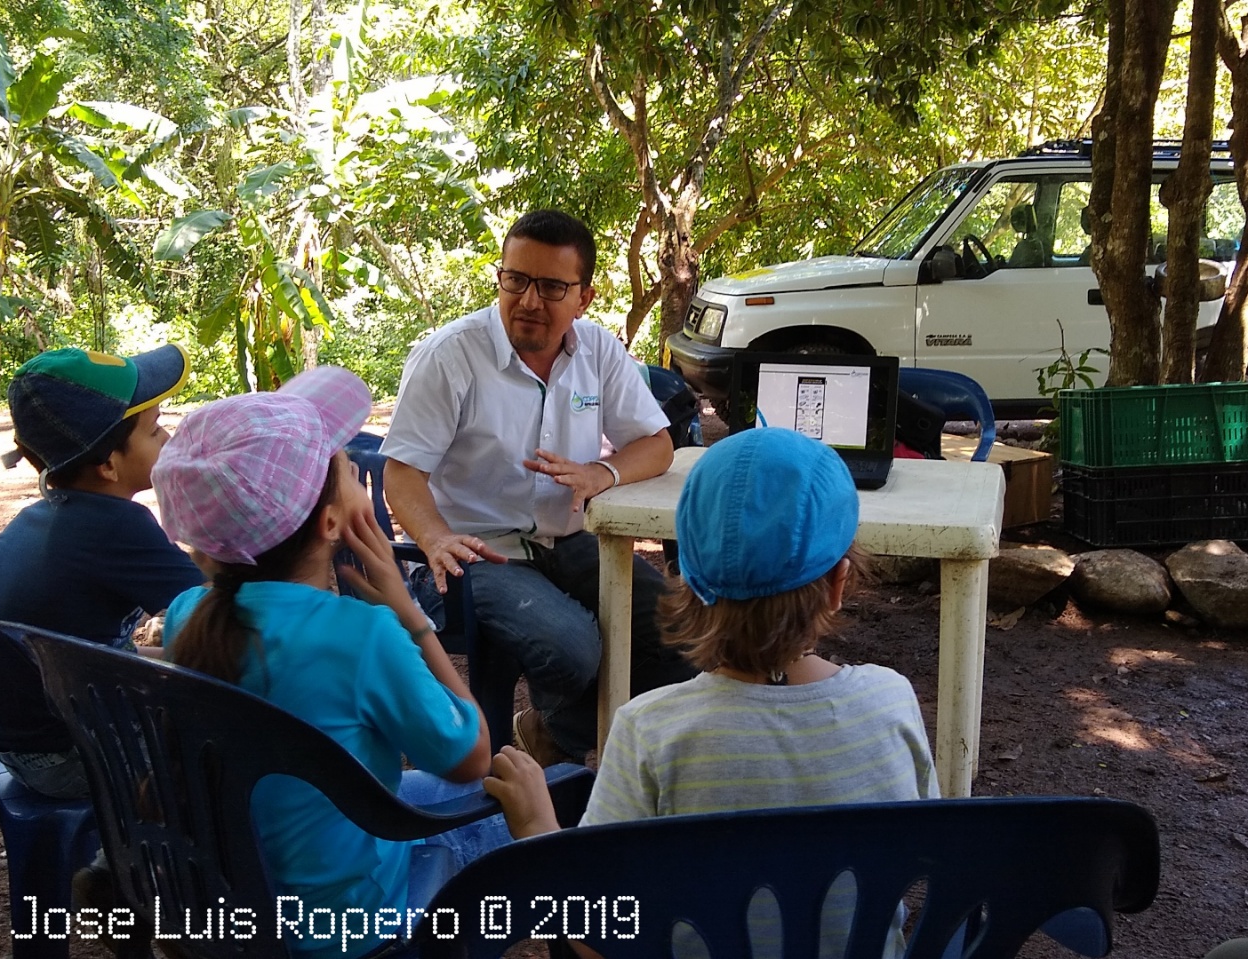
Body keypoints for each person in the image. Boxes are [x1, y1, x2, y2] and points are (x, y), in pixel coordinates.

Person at [485, 428, 939, 957]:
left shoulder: (650, 730)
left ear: (685, 581)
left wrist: (539, 828)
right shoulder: (891, 701)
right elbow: (917, 859)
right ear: (839, 584)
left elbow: (598, 943)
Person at [152, 366, 502, 958]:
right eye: (344, 465)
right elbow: (470, 758)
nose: (354, 470)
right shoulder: (363, 636)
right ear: (332, 521)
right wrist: (410, 618)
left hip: (237, 912)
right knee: (527, 797)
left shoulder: (189, 613)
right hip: (346, 929)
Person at [381, 209, 694, 766]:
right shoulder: (451, 356)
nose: (528, 300)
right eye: (515, 279)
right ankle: (601, 758)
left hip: (569, 537)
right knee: (571, 648)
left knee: (681, 624)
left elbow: (657, 444)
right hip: (475, 552)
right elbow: (402, 473)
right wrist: (432, 538)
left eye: (551, 287)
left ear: (585, 297)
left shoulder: (598, 351)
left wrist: (604, 473)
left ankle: (556, 735)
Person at [0, 344, 203, 798]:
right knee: (223, 739)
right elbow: (220, 616)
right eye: (155, 431)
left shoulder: (47, 516)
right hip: (67, 755)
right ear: (108, 465)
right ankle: (151, 863)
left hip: (18, 739)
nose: (169, 440)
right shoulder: (116, 526)